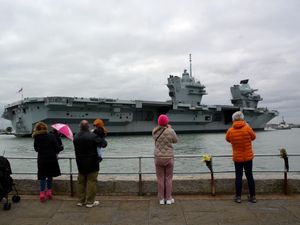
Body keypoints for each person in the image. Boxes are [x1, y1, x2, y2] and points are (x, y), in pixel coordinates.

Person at [73, 120, 107, 208]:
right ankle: (90, 202)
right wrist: (100, 135)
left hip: (80, 163)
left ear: (80, 126)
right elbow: (104, 144)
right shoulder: (92, 136)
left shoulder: (75, 136)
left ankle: (81, 201)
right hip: (92, 163)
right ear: (88, 127)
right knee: (91, 182)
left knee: (81, 182)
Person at [225, 111, 257, 203]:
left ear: (233, 119)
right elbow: (254, 137)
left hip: (237, 158)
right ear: (243, 118)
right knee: (249, 176)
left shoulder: (230, 130)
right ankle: (253, 197)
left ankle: (238, 197)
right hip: (248, 157)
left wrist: (234, 141)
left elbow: (227, 139)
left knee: (238, 177)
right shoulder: (247, 128)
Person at [32, 122, 61, 202]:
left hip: (42, 159)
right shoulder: (51, 136)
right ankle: (49, 192)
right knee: (50, 176)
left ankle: (42, 193)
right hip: (51, 159)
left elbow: (36, 149)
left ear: (37, 129)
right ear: (45, 128)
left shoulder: (36, 137)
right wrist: (60, 148)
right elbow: (57, 148)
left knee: (42, 177)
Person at [152, 114, 178, 205]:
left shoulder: (154, 131)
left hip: (158, 158)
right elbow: (175, 140)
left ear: (159, 122)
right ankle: (169, 199)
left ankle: (161, 199)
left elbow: (155, 139)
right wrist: (170, 129)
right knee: (168, 178)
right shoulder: (170, 130)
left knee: (160, 178)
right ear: (167, 122)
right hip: (169, 157)